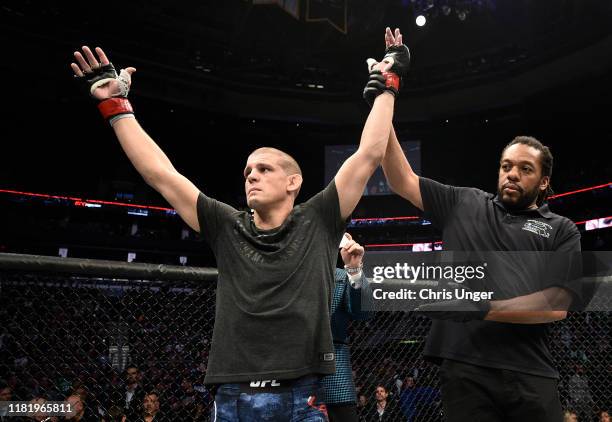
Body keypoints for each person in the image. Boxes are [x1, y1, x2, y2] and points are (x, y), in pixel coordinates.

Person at [69, 27, 409, 421]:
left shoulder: (319, 219)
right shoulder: (225, 224)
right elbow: (160, 173)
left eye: (264, 169)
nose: (251, 175)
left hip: (304, 394)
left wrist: (388, 86)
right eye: (248, 170)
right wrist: (115, 107)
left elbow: (368, 154)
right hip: (233, 397)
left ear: (292, 183)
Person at [375, 25, 582, 422]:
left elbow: (556, 305)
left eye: (525, 169)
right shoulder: (463, 201)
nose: (512, 174)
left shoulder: (561, 228)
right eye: (506, 166)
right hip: (465, 371)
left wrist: (477, 306)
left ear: (543, 181)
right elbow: (399, 177)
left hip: (531, 373)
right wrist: (386, 92)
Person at [323, 233, 371, 422]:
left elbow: (363, 313)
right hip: (293, 376)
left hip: (334, 378)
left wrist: (354, 269)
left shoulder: (341, 277)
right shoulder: (287, 275)